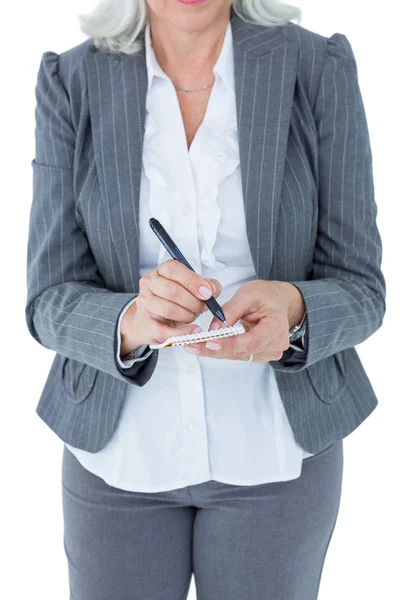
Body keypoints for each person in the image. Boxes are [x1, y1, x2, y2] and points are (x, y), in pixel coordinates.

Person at [26, 0, 386, 598]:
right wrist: (130, 320)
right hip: (117, 459)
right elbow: (48, 297)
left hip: (278, 453)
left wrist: (293, 309)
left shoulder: (318, 68)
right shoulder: (70, 81)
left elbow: (362, 287)